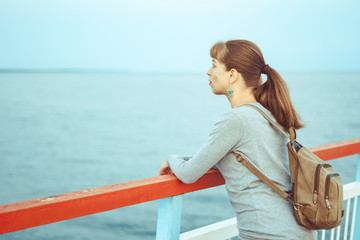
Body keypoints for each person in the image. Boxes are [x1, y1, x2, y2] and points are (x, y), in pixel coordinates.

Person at [158, 40, 317, 240]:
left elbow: (188, 174)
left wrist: (171, 158)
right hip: (299, 230)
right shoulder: (269, 114)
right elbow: (233, 156)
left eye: (214, 64)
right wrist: (187, 158)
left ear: (232, 75)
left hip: (267, 234)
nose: (209, 71)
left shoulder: (236, 120)